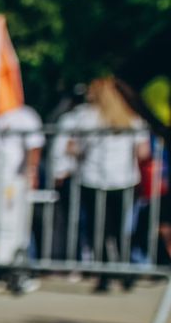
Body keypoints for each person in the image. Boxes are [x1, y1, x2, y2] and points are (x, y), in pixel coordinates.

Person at [56, 77, 151, 286]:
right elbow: (143, 152)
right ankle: (125, 271)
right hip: (123, 179)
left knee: (97, 229)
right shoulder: (130, 118)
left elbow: (74, 148)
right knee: (119, 229)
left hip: (94, 179)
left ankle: (104, 274)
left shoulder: (88, 118)